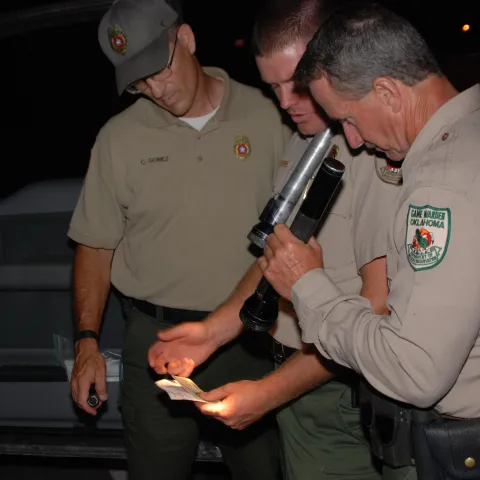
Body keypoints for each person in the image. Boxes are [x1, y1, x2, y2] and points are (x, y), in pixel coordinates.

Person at [147, 1, 402, 478]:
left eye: (299, 83)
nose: (286, 102)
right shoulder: (304, 140)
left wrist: (269, 394)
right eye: (274, 87)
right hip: (297, 382)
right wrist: (213, 332)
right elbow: (278, 253)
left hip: (348, 389)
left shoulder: (373, 147)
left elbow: (379, 310)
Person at [67, 0, 292, 478]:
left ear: (185, 39)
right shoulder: (117, 139)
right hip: (156, 339)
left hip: (250, 335)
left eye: (158, 69)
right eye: (138, 80)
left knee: (264, 471)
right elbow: (94, 246)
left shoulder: (268, 116)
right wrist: (87, 341)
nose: (155, 89)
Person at [259, 2, 480, 479]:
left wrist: (309, 287)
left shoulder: (442, 187)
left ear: (387, 91)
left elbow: (414, 371)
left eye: (349, 120)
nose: (354, 142)